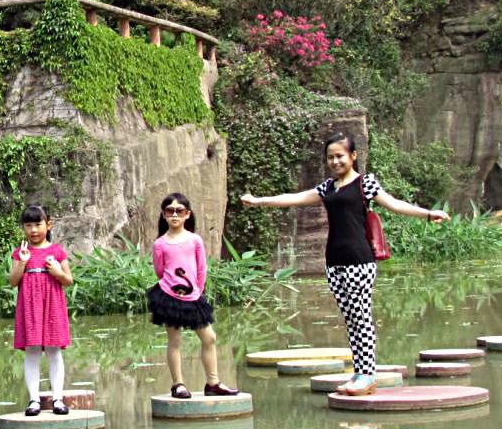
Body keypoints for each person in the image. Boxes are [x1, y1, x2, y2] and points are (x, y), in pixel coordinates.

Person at [240, 132, 449, 394]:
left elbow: (394, 204)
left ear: (353, 156)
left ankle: (368, 374)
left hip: (359, 260)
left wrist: (428, 214)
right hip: (334, 261)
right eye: (330, 157)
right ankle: (359, 372)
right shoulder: (328, 187)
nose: (335, 161)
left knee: (362, 317)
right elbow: (296, 198)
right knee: (350, 318)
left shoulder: (365, 184)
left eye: (340, 156)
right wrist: (259, 201)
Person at [147, 192, 237, 399]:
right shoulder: (160, 244)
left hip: (193, 296)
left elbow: (201, 269)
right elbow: (160, 271)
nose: (175, 215)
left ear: (187, 214)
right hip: (168, 296)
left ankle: (213, 382)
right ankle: (178, 384)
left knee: (209, 337)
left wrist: (197, 291)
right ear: (163, 214)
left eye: (180, 211)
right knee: (175, 340)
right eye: (170, 211)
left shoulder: (195, 240)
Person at [9, 204, 74, 416]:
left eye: (38, 224)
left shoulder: (57, 251)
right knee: (32, 352)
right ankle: (34, 400)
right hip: (30, 307)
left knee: (54, 351)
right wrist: (22, 262)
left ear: (48, 225)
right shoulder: (21, 252)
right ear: (23, 228)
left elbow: (68, 280)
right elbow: (12, 281)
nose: (34, 230)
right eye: (28, 225)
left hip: (52, 306)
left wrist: (56, 271)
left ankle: (57, 399)